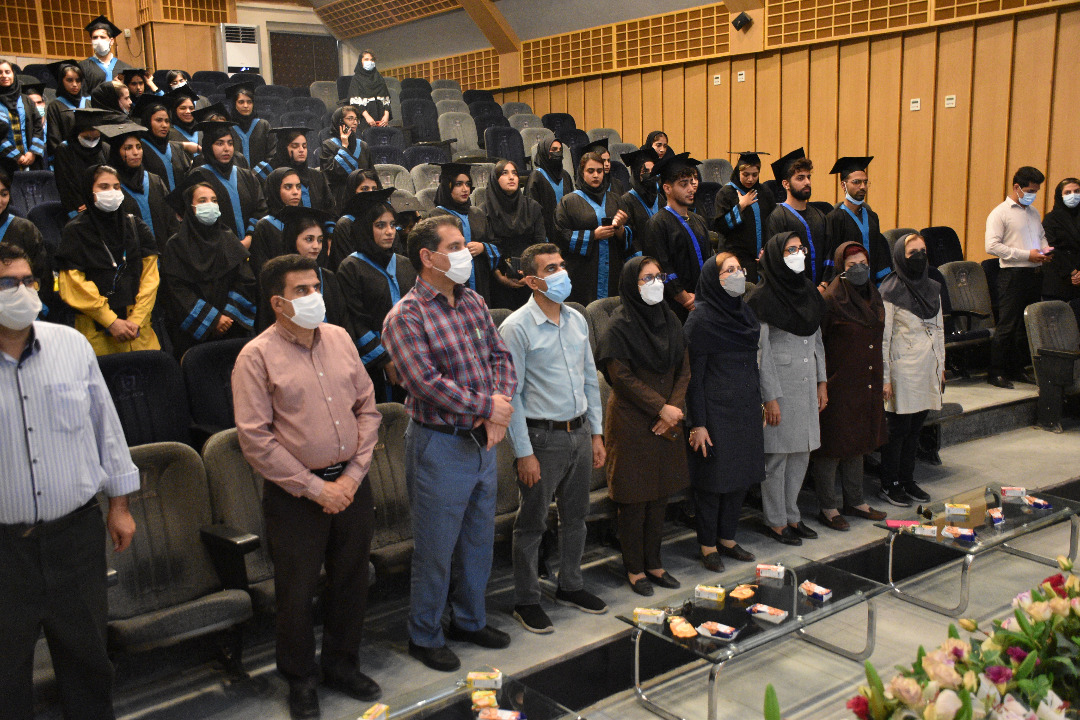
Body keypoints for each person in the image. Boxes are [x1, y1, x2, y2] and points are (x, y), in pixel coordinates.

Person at [233, 253, 382, 720]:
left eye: (315, 287)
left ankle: (342, 664)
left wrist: (353, 476)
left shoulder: (339, 338)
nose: (314, 296)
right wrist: (317, 489)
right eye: (302, 290)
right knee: (296, 593)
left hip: (352, 484)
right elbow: (255, 440)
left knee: (351, 581)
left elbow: (368, 409)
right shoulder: (255, 356)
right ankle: (299, 678)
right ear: (278, 303)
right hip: (296, 496)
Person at [0, 242, 139, 720]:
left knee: (87, 661)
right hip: (5, 550)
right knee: (6, 671)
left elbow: (106, 428)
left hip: (74, 536)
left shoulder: (71, 345)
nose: (22, 291)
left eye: (28, 281)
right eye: (7, 283)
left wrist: (119, 505)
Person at [381, 215, 517, 673]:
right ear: (427, 256)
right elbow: (424, 382)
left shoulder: (473, 301)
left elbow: (501, 358)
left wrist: (498, 407)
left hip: (482, 442)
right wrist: (488, 407)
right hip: (439, 444)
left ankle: (469, 620)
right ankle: (425, 634)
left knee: (478, 541)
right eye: (455, 246)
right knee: (436, 550)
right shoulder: (406, 316)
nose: (466, 252)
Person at [499, 243, 607, 633]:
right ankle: (526, 599)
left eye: (562, 265)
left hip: (579, 432)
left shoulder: (576, 319)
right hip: (541, 438)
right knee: (531, 524)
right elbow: (511, 395)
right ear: (531, 281)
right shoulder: (516, 327)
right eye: (551, 269)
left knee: (576, 517)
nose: (562, 273)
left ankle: (570, 585)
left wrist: (597, 433)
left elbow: (590, 378)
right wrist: (523, 453)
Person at [596, 256, 689, 596]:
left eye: (659, 277)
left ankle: (655, 563)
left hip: (667, 418)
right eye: (647, 278)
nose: (656, 284)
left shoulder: (670, 318)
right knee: (634, 500)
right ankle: (635, 568)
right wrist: (660, 408)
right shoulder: (618, 325)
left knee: (660, 495)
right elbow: (621, 377)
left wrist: (672, 409)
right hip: (632, 420)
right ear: (630, 284)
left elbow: (684, 369)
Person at [683, 252, 762, 571]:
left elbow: (752, 365)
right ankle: (707, 546)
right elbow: (693, 379)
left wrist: (758, 401)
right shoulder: (700, 319)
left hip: (745, 406)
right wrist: (698, 423)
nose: (738, 274)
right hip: (714, 411)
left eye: (740, 268)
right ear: (713, 280)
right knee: (713, 481)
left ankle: (728, 538)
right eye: (730, 270)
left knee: (741, 477)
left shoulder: (744, 313)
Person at [749, 231, 827, 545]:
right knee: (777, 458)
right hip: (780, 387)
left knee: (802, 453)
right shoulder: (761, 298)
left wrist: (822, 381)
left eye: (800, 248)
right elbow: (761, 353)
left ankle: (793, 515)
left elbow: (817, 339)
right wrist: (769, 398)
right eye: (790, 250)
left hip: (807, 385)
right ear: (774, 256)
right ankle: (775, 520)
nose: (797, 254)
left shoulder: (808, 290)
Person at [812, 242, 889, 531]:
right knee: (832, 446)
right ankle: (828, 507)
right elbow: (818, 343)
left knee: (858, 441)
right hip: (837, 381)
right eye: (851, 265)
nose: (859, 269)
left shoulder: (873, 294)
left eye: (863, 264)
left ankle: (855, 500)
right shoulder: (830, 299)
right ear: (840, 268)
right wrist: (821, 382)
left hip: (866, 377)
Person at [56, 165, 160, 355]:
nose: (111, 192)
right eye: (103, 187)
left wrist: (136, 320)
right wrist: (111, 321)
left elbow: (150, 279)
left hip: (138, 333)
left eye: (116, 187)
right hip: (98, 337)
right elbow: (72, 286)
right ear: (89, 191)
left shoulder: (136, 226)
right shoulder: (75, 231)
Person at [879, 232, 943, 506]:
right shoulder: (890, 290)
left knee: (916, 428)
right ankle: (890, 483)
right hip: (901, 370)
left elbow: (939, 330)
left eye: (923, 251)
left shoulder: (933, 287)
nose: (919, 257)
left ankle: (907, 479)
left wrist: (941, 366)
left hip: (927, 366)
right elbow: (883, 338)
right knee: (898, 430)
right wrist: (885, 378)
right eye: (912, 252)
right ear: (900, 257)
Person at [159, 180, 258, 357]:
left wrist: (227, 317)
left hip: (233, 329)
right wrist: (213, 320)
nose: (210, 205)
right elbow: (176, 291)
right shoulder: (175, 245)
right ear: (190, 207)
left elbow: (245, 280)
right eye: (202, 201)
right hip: (193, 335)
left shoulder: (229, 239)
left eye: (214, 200)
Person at [337, 188, 416, 403]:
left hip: (412, 357)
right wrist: (384, 359)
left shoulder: (405, 264)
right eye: (380, 225)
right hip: (376, 367)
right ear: (365, 228)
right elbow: (355, 320)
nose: (389, 232)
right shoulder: (351, 267)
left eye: (392, 225)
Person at [985, 166, 1053, 388]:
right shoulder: (1000, 213)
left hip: (1034, 274)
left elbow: (1041, 236)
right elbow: (992, 246)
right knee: (1007, 326)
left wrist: (1045, 250)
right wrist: (1027, 255)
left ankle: (1017, 369)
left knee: (1025, 326)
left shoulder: (1033, 213)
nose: (1033, 195)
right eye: (1030, 190)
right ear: (1017, 187)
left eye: (1036, 191)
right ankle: (996, 372)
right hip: (1012, 275)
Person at [554, 151, 632, 304]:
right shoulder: (568, 202)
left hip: (612, 270)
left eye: (599, 171)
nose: (596, 175)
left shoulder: (616, 199)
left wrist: (620, 229)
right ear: (582, 173)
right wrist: (593, 235)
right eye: (590, 171)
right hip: (582, 273)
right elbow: (560, 236)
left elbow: (630, 237)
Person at [642, 152, 710, 321]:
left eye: (692, 182)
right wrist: (684, 298)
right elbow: (661, 267)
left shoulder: (698, 220)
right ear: (667, 188)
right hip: (673, 307)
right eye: (683, 184)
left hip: (703, 302)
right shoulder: (657, 224)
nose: (691, 189)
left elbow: (709, 259)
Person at [188, 120, 268, 248]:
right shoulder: (198, 176)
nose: (226, 149)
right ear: (208, 146)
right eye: (219, 143)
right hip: (216, 248)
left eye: (230, 143)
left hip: (251, 246)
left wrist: (249, 237)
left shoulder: (246, 176)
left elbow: (260, 209)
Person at [428, 162, 497, 304]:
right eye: (458, 184)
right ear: (447, 186)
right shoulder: (437, 216)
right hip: (451, 280)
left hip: (480, 279)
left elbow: (495, 243)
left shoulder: (477, 214)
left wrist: (483, 247)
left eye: (468, 184)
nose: (465, 189)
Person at [484, 159, 547, 310]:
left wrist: (530, 273)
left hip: (531, 277)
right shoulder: (484, 211)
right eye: (505, 173)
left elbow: (540, 244)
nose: (511, 177)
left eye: (515, 173)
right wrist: (499, 276)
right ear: (495, 179)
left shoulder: (532, 207)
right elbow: (486, 247)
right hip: (498, 280)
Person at [764, 148, 829, 286]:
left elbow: (828, 253)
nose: (807, 182)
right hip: (792, 290)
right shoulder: (778, 217)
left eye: (808, 177)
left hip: (822, 291)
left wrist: (824, 285)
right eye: (800, 178)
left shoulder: (820, 216)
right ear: (786, 184)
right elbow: (776, 261)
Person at [103, 122, 178, 243]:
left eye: (138, 147)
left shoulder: (154, 181)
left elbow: (171, 221)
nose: (135, 152)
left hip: (164, 250)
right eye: (128, 148)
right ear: (116, 152)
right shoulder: (112, 188)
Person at [824, 157, 892, 285]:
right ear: (843, 185)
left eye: (865, 182)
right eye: (856, 182)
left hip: (871, 285)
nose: (863, 187)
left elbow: (879, 254)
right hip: (847, 286)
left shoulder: (872, 217)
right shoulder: (835, 218)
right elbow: (832, 257)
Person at [713, 151, 776, 283]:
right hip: (736, 258)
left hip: (761, 258)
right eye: (745, 174)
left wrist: (768, 250)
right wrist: (740, 206)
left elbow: (772, 223)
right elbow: (720, 226)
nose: (750, 179)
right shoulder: (726, 193)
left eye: (755, 175)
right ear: (738, 172)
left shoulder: (765, 192)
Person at [0, 169, 56, 315]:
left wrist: (38, 309)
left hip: (21, 309)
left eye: (4, 194)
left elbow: (42, 275)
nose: (0, 200)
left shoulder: (24, 229)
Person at [52, 108, 113, 217]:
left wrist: (98, 203)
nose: (91, 142)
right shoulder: (65, 150)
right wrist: (85, 206)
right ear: (77, 133)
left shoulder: (104, 149)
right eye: (87, 138)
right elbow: (65, 185)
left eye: (96, 138)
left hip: (103, 205)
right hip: (77, 207)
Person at [268, 127, 335, 215]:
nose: (301, 150)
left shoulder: (316, 175)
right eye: (295, 146)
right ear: (283, 149)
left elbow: (329, 208)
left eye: (304, 146)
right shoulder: (272, 176)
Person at [250, 167, 304, 277]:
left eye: (298, 187)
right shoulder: (265, 226)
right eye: (288, 187)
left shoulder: (306, 221)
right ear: (275, 190)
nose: (295, 192)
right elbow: (260, 268)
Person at [135, 95, 193, 192]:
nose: (164, 125)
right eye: (159, 120)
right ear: (147, 122)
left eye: (167, 121)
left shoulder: (175, 149)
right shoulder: (140, 149)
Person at [328, 168, 384, 268]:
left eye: (374, 189)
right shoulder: (345, 225)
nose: (371, 193)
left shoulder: (384, 221)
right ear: (353, 192)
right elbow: (347, 266)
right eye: (365, 189)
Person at [320, 105, 373, 208]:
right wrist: (344, 146)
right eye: (350, 119)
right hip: (339, 199)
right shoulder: (328, 145)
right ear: (340, 122)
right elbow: (332, 174)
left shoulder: (363, 146)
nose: (355, 122)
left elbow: (372, 173)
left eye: (356, 119)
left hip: (364, 197)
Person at [0, 62, 45, 175]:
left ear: (13, 74)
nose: (4, 75)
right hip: (4, 163)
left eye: (7, 72)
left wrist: (32, 152)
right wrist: (16, 156)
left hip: (31, 159)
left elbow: (38, 127)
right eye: (0, 73)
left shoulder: (26, 100)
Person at [526, 137, 573, 244]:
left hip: (566, 235)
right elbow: (532, 212)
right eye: (554, 149)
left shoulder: (565, 175)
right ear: (545, 152)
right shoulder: (536, 176)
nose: (558, 153)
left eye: (560, 150)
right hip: (545, 237)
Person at [223, 81, 274, 179]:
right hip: (235, 179)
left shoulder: (263, 125)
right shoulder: (228, 127)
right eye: (241, 102)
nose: (246, 106)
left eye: (249, 102)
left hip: (262, 180)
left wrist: (255, 175)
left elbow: (272, 154)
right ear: (234, 104)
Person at [45, 60, 92, 164]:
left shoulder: (89, 103)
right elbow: (54, 138)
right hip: (67, 158)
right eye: (69, 80)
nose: (75, 84)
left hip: (90, 156)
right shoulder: (55, 106)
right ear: (61, 81)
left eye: (78, 80)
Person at [1042, 177, 1080, 304]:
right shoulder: (1050, 219)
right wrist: (1073, 272)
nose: (1073, 195)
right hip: (1058, 279)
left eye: (1077, 191)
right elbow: (1050, 248)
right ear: (1060, 196)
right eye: (1068, 192)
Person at [79, 16, 133, 92]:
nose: (98, 41)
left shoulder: (125, 68)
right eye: (95, 37)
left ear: (111, 41)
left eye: (102, 37)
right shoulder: (83, 67)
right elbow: (81, 95)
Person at [620, 147, 661, 237]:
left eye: (653, 171)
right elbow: (628, 234)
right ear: (636, 173)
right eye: (645, 171)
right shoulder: (627, 200)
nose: (650, 175)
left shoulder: (660, 198)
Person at [348, 50, 391, 127]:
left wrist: (386, 115)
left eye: (372, 60)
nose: (369, 62)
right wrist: (367, 117)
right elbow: (355, 102)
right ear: (360, 62)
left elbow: (386, 99)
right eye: (366, 59)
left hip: (382, 119)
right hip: (365, 119)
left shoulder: (379, 78)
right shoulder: (356, 79)